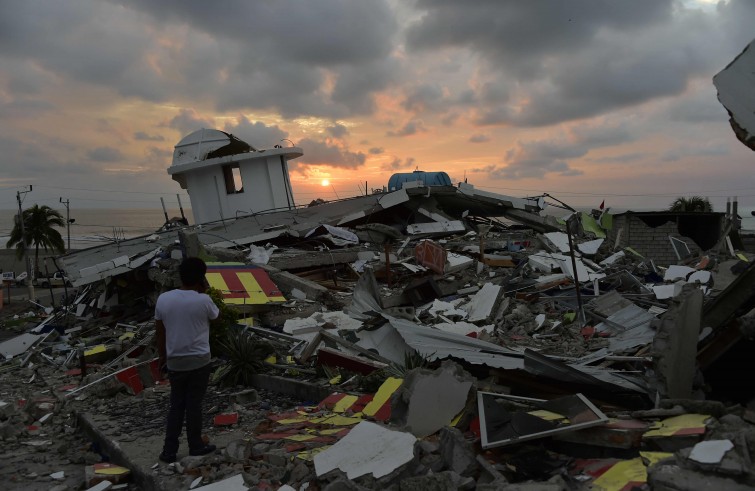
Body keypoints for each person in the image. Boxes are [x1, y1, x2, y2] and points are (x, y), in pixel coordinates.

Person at [155, 257, 220, 463]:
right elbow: (216, 317)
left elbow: (160, 332)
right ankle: (195, 445)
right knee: (194, 405)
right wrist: (204, 292)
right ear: (201, 277)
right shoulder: (204, 300)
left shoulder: (164, 299)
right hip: (199, 360)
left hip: (175, 360)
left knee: (176, 405)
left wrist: (162, 357)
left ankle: (169, 451)